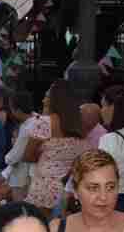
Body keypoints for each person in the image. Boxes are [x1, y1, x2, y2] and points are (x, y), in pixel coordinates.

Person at [23, 82, 87, 212]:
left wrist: (42, 155)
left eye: (47, 96)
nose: (43, 100)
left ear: (55, 100)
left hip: (43, 186)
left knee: (40, 227)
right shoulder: (79, 124)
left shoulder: (43, 123)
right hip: (66, 187)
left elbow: (27, 156)